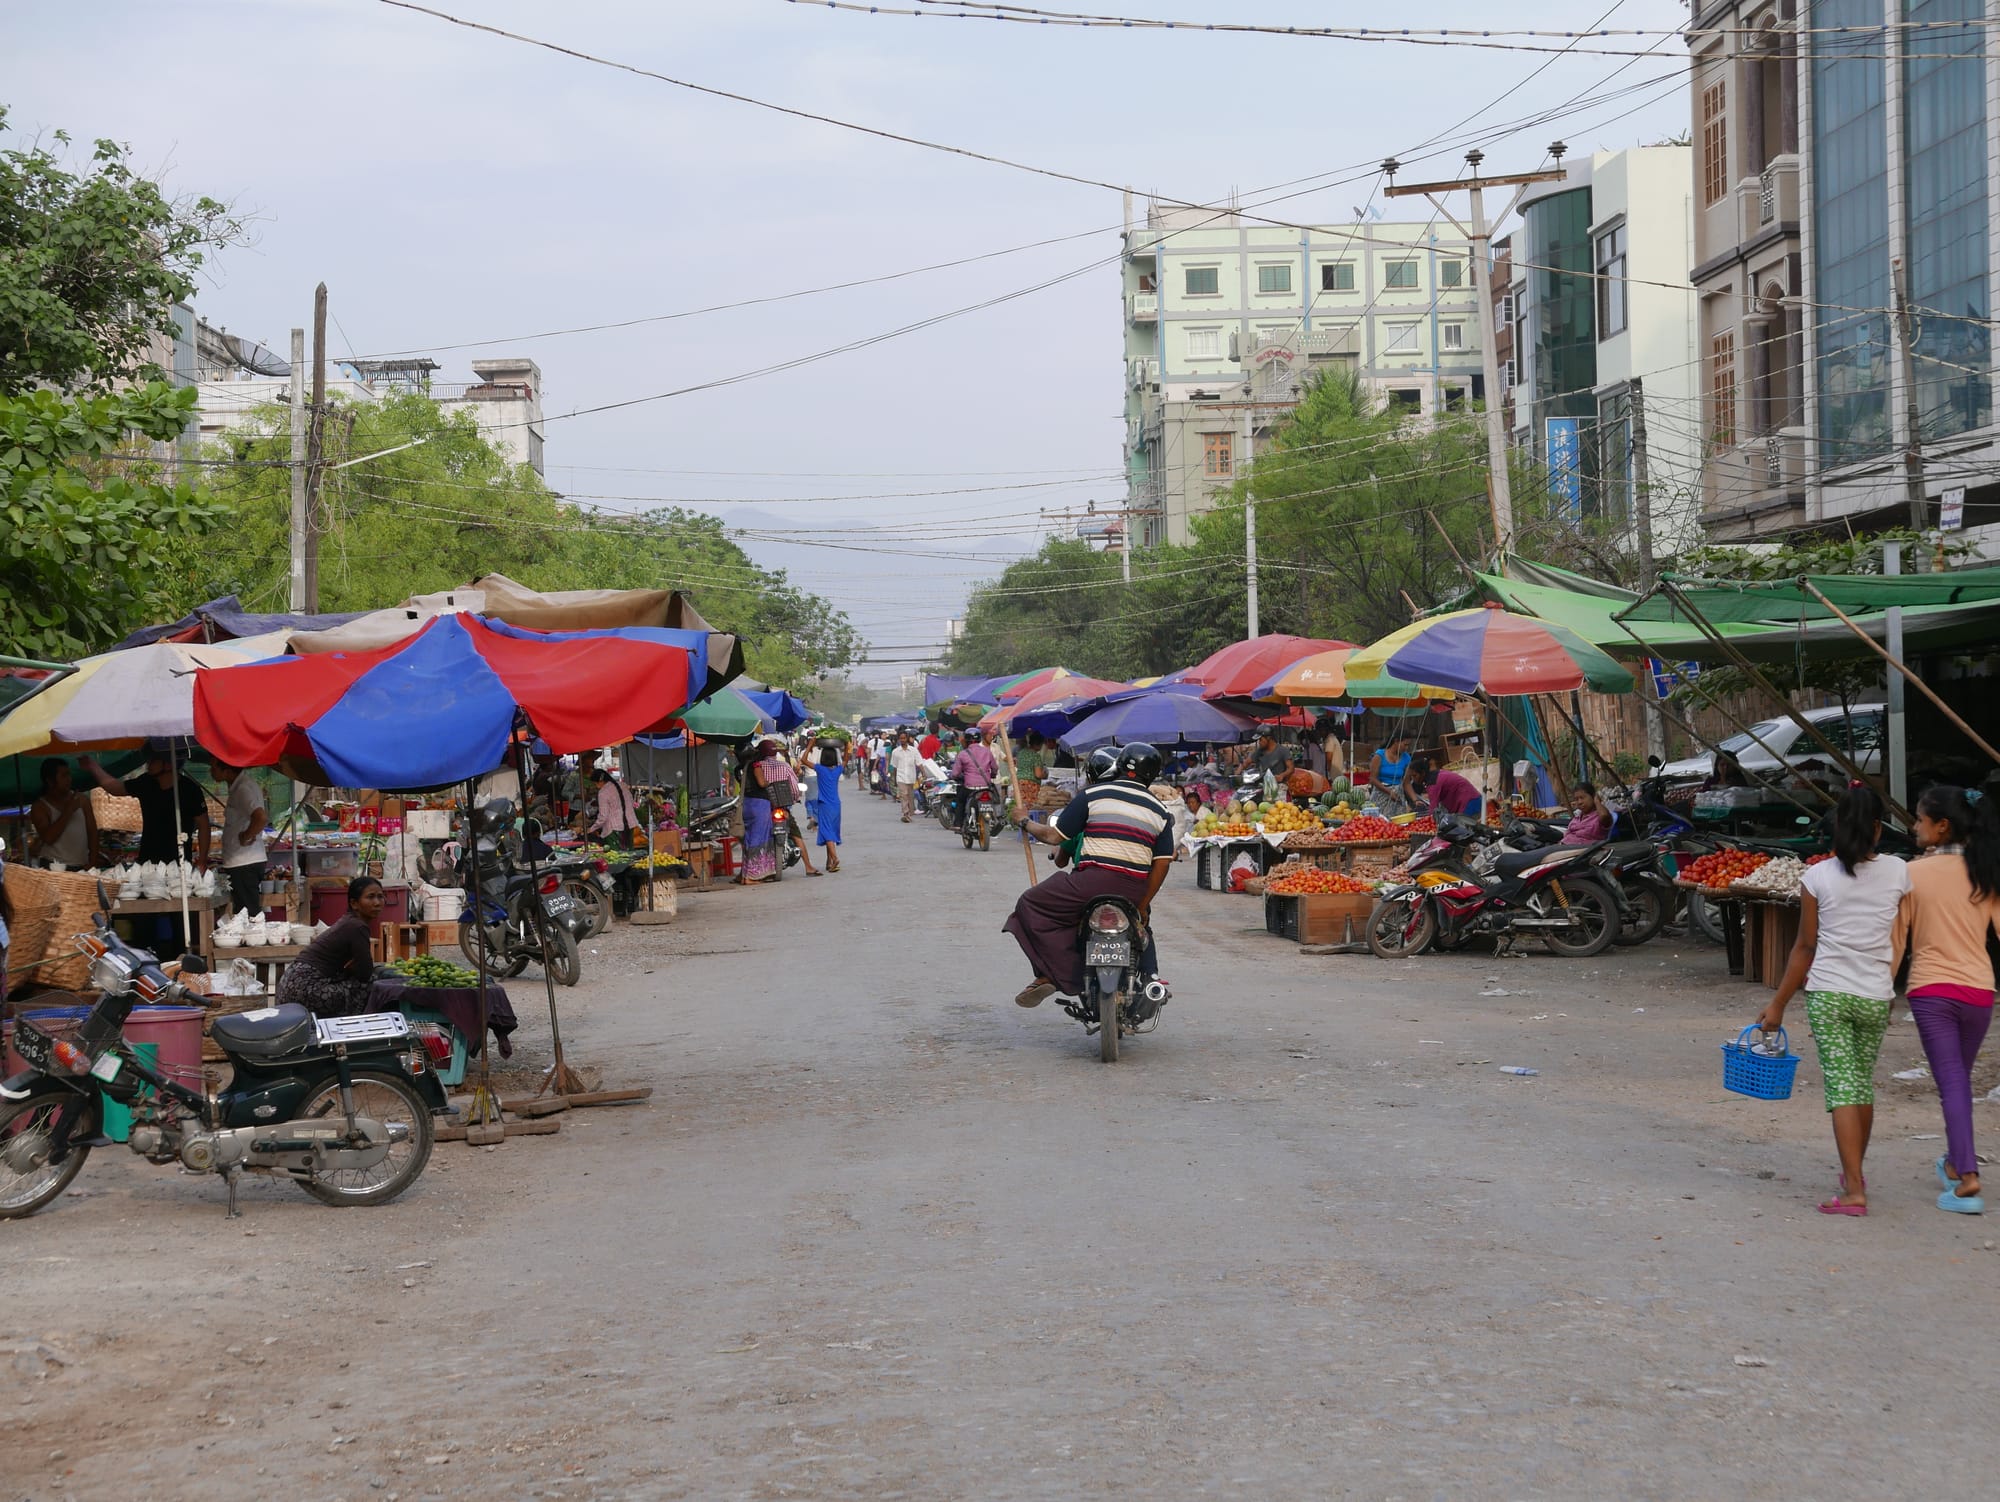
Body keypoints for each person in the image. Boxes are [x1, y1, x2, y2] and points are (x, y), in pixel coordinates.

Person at [1756, 786, 1911, 1216]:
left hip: (1828, 994)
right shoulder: (1899, 871)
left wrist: (1779, 1004)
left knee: (1843, 1086)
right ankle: (1854, 1172)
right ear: (1878, 830)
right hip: (1875, 994)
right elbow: (1899, 933)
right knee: (1860, 1084)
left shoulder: (1817, 877)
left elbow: (1804, 948)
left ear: (1837, 827)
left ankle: (1854, 1190)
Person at [1892, 784, 2000, 1215]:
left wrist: (1883, 990)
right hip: (1979, 993)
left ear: (1941, 826)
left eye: (1919, 820)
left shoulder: (1912, 874)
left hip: (1931, 991)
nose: (1915, 827)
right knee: (1958, 1079)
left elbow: (1897, 943)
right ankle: (1955, 1162)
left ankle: (1968, 1177)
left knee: (1953, 1082)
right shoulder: (1986, 872)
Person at [1009, 742, 1175, 1006]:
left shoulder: (1093, 794)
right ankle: (1150, 978)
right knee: (1142, 928)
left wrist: (1024, 821)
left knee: (1029, 904)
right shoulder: (1161, 811)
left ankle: (1051, 975)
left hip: (1089, 883)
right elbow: (1162, 865)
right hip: (1134, 889)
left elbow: (1053, 836)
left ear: (1119, 765)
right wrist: (1142, 905)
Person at [79, 742, 210, 867]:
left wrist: (202, 860)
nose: (149, 764)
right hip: (147, 860)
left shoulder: (190, 790)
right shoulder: (146, 782)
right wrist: (93, 767)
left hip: (179, 861)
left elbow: (204, 825)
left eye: (154, 760)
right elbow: (116, 788)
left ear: (169, 764)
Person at [276, 875, 385, 1018]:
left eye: (380, 896)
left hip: (290, 985)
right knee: (372, 983)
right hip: (305, 990)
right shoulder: (357, 926)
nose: (377, 902)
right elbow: (365, 973)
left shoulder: (348, 921)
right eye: (370, 897)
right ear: (354, 903)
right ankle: (358, 1030)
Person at [210, 759, 268, 917]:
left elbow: (260, 817)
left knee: (248, 914)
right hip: (241, 862)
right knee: (243, 912)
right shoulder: (239, 786)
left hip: (245, 862)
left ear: (227, 770)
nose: (211, 771)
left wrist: (246, 835)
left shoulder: (243, 789)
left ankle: (253, 939)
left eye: (214, 766)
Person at [30, 758, 99, 870]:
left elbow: (93, 833)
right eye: (64, 776)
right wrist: (68, 811)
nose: (69, 779)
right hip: (53, 866)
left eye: (69, 775)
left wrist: (92, 861)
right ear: (50, 781)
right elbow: (49, 838)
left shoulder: (82, 800)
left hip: (81, 866)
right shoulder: (40, 807)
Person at [948, 730, 1000, 831]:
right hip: (986, 786)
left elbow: (955, 773)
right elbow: (995, 768)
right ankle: (997, 818)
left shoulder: (962, 754)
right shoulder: (987, 751)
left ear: (966, 741)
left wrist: (952, 777)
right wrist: (992, 775)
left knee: (960, 800)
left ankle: (958, 823)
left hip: (970, 788)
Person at [1408, 760, 1482, 820]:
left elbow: (1433, 809)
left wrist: (1428, 821)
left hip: (1470, 802)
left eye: (1414, 776)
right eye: (1411, 776)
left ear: (1423, 773)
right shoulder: (1435, 775)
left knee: (1467, 831)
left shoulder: (1433, 783)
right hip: (1472, 799)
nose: (1413, 779)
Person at [812, 742, 844, 872]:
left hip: (824, 804)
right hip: (836, 805)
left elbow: (802, 760)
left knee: (826, 831)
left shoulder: (819, 769)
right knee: (831, 831)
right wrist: (846, 744)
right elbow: (846, 758)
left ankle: (835, 858)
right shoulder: (838, 770)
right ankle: (829, 862)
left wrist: (810, 745)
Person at [589, 767, 640, 845]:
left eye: (595, 784)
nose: (596, 786)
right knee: (630, 854)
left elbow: (603, 817)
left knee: (616, 856)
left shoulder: (603, 793)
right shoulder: (623, 785)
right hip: (630, 825)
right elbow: (631, 802)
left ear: (600, 782)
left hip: (614, 829)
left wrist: (592, 828)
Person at [1560, 782, 1612, 846]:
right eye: (1576, 799)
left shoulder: (1598, 817)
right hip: (1563, 848)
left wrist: (1597, 801)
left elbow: (1605, 816)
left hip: (1582, 852)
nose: (1579, 802)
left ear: (1593, 797)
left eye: (1582, 798)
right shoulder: (1577, 818)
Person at [890, 730, 924, 823]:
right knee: (903, 795)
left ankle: (909, 812)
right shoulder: (895, 752)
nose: (902, 740)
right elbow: (895, 767)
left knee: (910, 796)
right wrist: (894, 780)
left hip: (911, 776)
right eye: (901, 738)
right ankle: (906, 814)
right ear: (898, 739)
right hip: (900, 777)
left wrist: (924, 774)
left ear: (907, 738)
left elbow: (919, 763)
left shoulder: (913, 750)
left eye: (904, 738)